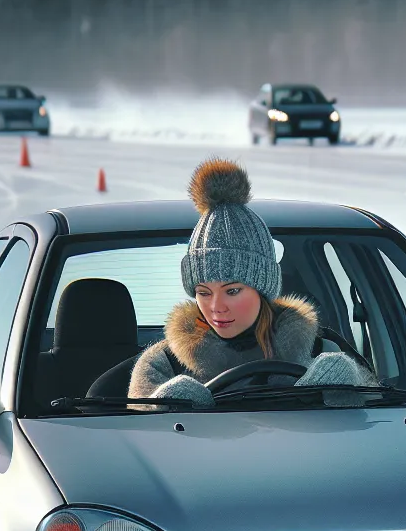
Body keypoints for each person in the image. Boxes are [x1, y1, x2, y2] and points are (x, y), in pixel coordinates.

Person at [129, 158, 369, 407]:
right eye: (204, 292)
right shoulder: (163, 364)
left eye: (232, 290)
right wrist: (161, 410)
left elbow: (379, 418)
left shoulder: (320, 351)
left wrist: (352, 389)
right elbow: (135, 431)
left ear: (263, 288)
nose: (216, 307)